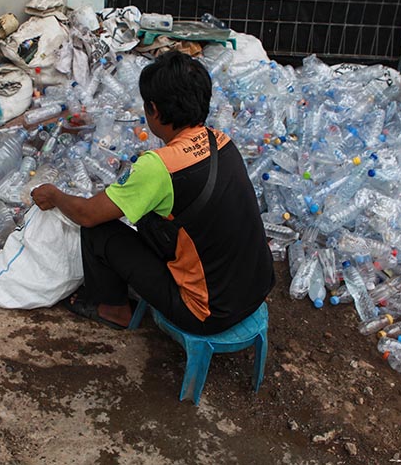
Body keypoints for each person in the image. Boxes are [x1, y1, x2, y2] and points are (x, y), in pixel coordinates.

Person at [31, 51, 274, 334]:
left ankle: (114, 310)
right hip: (255, 288)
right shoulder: (221, 141)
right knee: (150, 217)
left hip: (209, 312)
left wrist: (55, 196)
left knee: (99, 231)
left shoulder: (158, 167)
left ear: (154, 111)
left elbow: (87, 215)